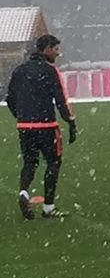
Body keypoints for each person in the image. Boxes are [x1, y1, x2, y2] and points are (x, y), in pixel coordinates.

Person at [4, 34, 77, 220]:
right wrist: (70, 122)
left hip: (25, 126)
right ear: (46, 49)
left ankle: (23, 192)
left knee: (30, 162)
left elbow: (10, 98)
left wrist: (21, 117)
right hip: (47, 126)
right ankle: (48, 208)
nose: (57, 53)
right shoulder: (51, 71)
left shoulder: (20, 70)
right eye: (56, 49)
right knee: (53, 162)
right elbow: (61, 100)